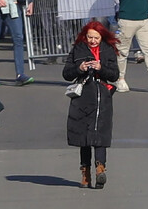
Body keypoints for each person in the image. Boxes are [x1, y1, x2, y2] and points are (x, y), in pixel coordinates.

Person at [63, 21, 120, 189]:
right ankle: (85, 173)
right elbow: (66, 73)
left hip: (102, 96)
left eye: (96, 37)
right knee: (84, 137)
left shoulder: (108, 50)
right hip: (82, 98)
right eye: (90, 37)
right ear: (84, 36)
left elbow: (114, 74)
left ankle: (100, 168)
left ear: (102, 37)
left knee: (100, 135)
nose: (93, 41)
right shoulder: (78, 50)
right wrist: (79, 68)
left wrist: (101, 67)